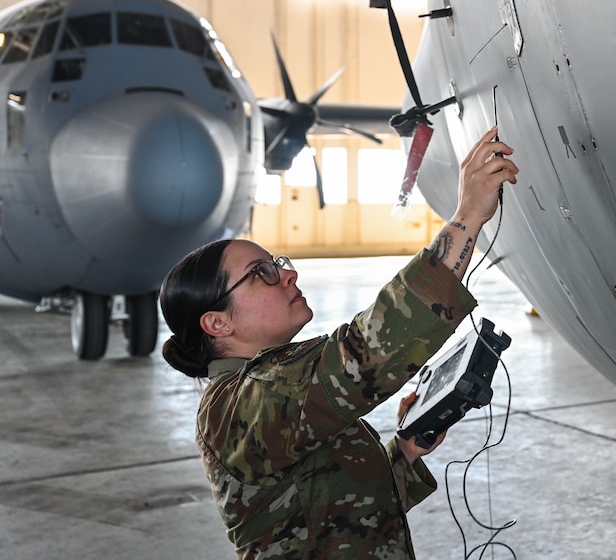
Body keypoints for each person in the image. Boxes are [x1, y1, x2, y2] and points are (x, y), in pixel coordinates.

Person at [159, 127, 517, 559]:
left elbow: (336, 517)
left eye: (278, 265)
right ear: (217, 322)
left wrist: (404, 451)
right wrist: (467, 217)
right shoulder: (240, 404)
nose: (287, 275)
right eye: (262, 273)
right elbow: (363, 352)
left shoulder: (272, 393)